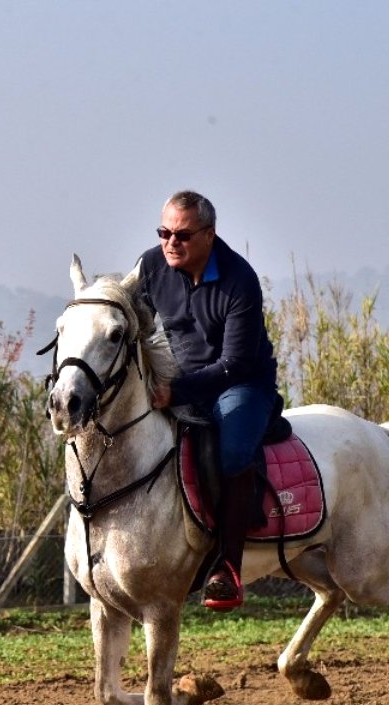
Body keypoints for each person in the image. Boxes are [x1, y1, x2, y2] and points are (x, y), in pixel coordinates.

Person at [131, 190, 282, 611]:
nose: (170, 243)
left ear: (210, 235)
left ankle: (227, 568)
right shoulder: (150, 267)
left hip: (241, 385)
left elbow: (234, 363)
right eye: (164, 232)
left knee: (233, 454)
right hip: (178, 379)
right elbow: (129, 319)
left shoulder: (240, 280)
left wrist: (174, 393)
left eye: (182, 234)